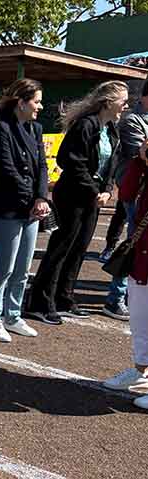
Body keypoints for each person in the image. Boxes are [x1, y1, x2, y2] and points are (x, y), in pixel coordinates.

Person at [25, 81, 129, 325]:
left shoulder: (111, 129)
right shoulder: (86, 125)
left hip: (92, 197)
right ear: (108, 101)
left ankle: (64, 298)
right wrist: (94, 190)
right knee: (61, 247)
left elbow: (111, 164)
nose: (126, 105)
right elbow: (70, 161)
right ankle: (39, 301)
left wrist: (105, 189)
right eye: (122, 100)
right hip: (73, 195)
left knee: (79, 248)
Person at [0, 78, 50, 343]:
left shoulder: (36, 129)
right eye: (36, 101)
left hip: (31, 209)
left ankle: (13, 315)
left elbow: (43, 167)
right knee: (5, 267)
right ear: (21, 103)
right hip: (6, 209)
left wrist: (41, 197)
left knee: (23, 268)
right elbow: (6, 169)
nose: (40, 107)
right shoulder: (2, 128)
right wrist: (32, 199)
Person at [103, 138, 148, 412]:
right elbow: (128, 193)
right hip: (141, 257)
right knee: (140, 321)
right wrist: (139, 161)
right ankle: (140, 370)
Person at [99, 79, 148, 321]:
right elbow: (142, 155)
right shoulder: (132, 121)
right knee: (134, 243)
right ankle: (115, 298)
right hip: (136, 194)